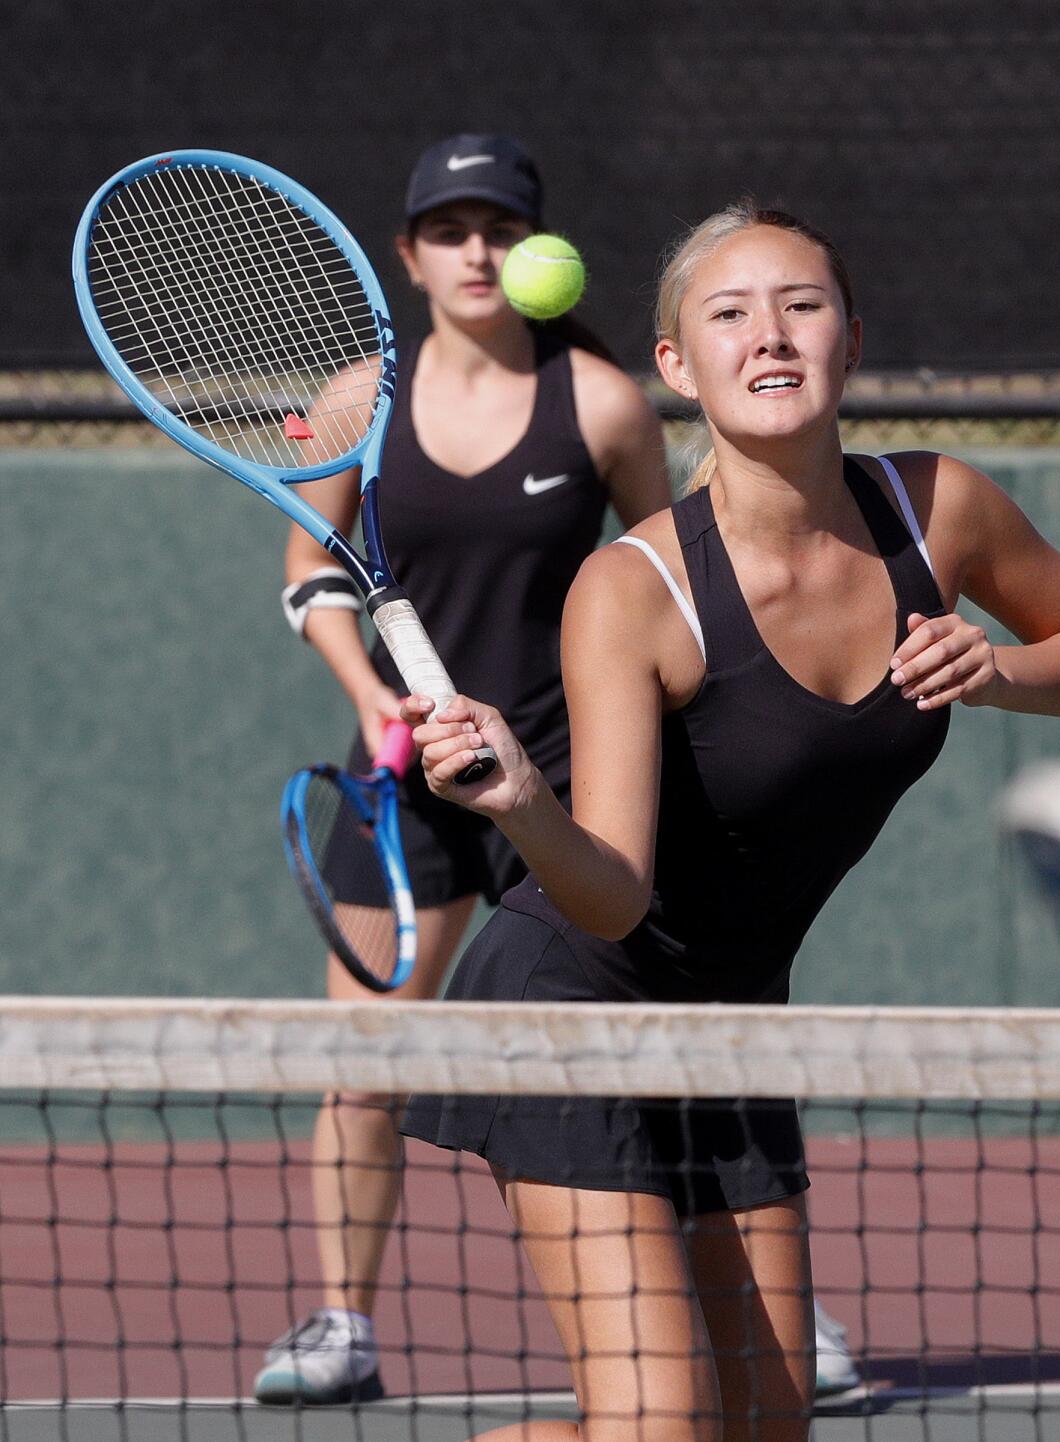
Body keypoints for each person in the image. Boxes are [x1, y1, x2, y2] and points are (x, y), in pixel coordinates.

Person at [397, 202, 1060, 1442]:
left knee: (767, 1426)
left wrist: (999, 667)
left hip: (734, 1019)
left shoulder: (936, 511)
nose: (771, 336)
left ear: (851, 340)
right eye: (729, 313)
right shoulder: (633, 588)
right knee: (659, 1425)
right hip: (570, 1001)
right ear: (677, 365)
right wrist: (526, 802)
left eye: (802, 305)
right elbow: (614, 895)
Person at [254, 134, 673, 1407]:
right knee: (366, 1054)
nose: (478, 249)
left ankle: (745, 1294)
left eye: (499, 225)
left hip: (558, 767)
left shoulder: (601, 400)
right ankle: (343, 1324)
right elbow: (310, 572)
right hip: (401, 780)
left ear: (534, 245)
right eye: (451, 228)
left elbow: (664, 569)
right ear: (410, 255)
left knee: (639, 1043)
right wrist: (373, 691)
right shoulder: (356, 397)